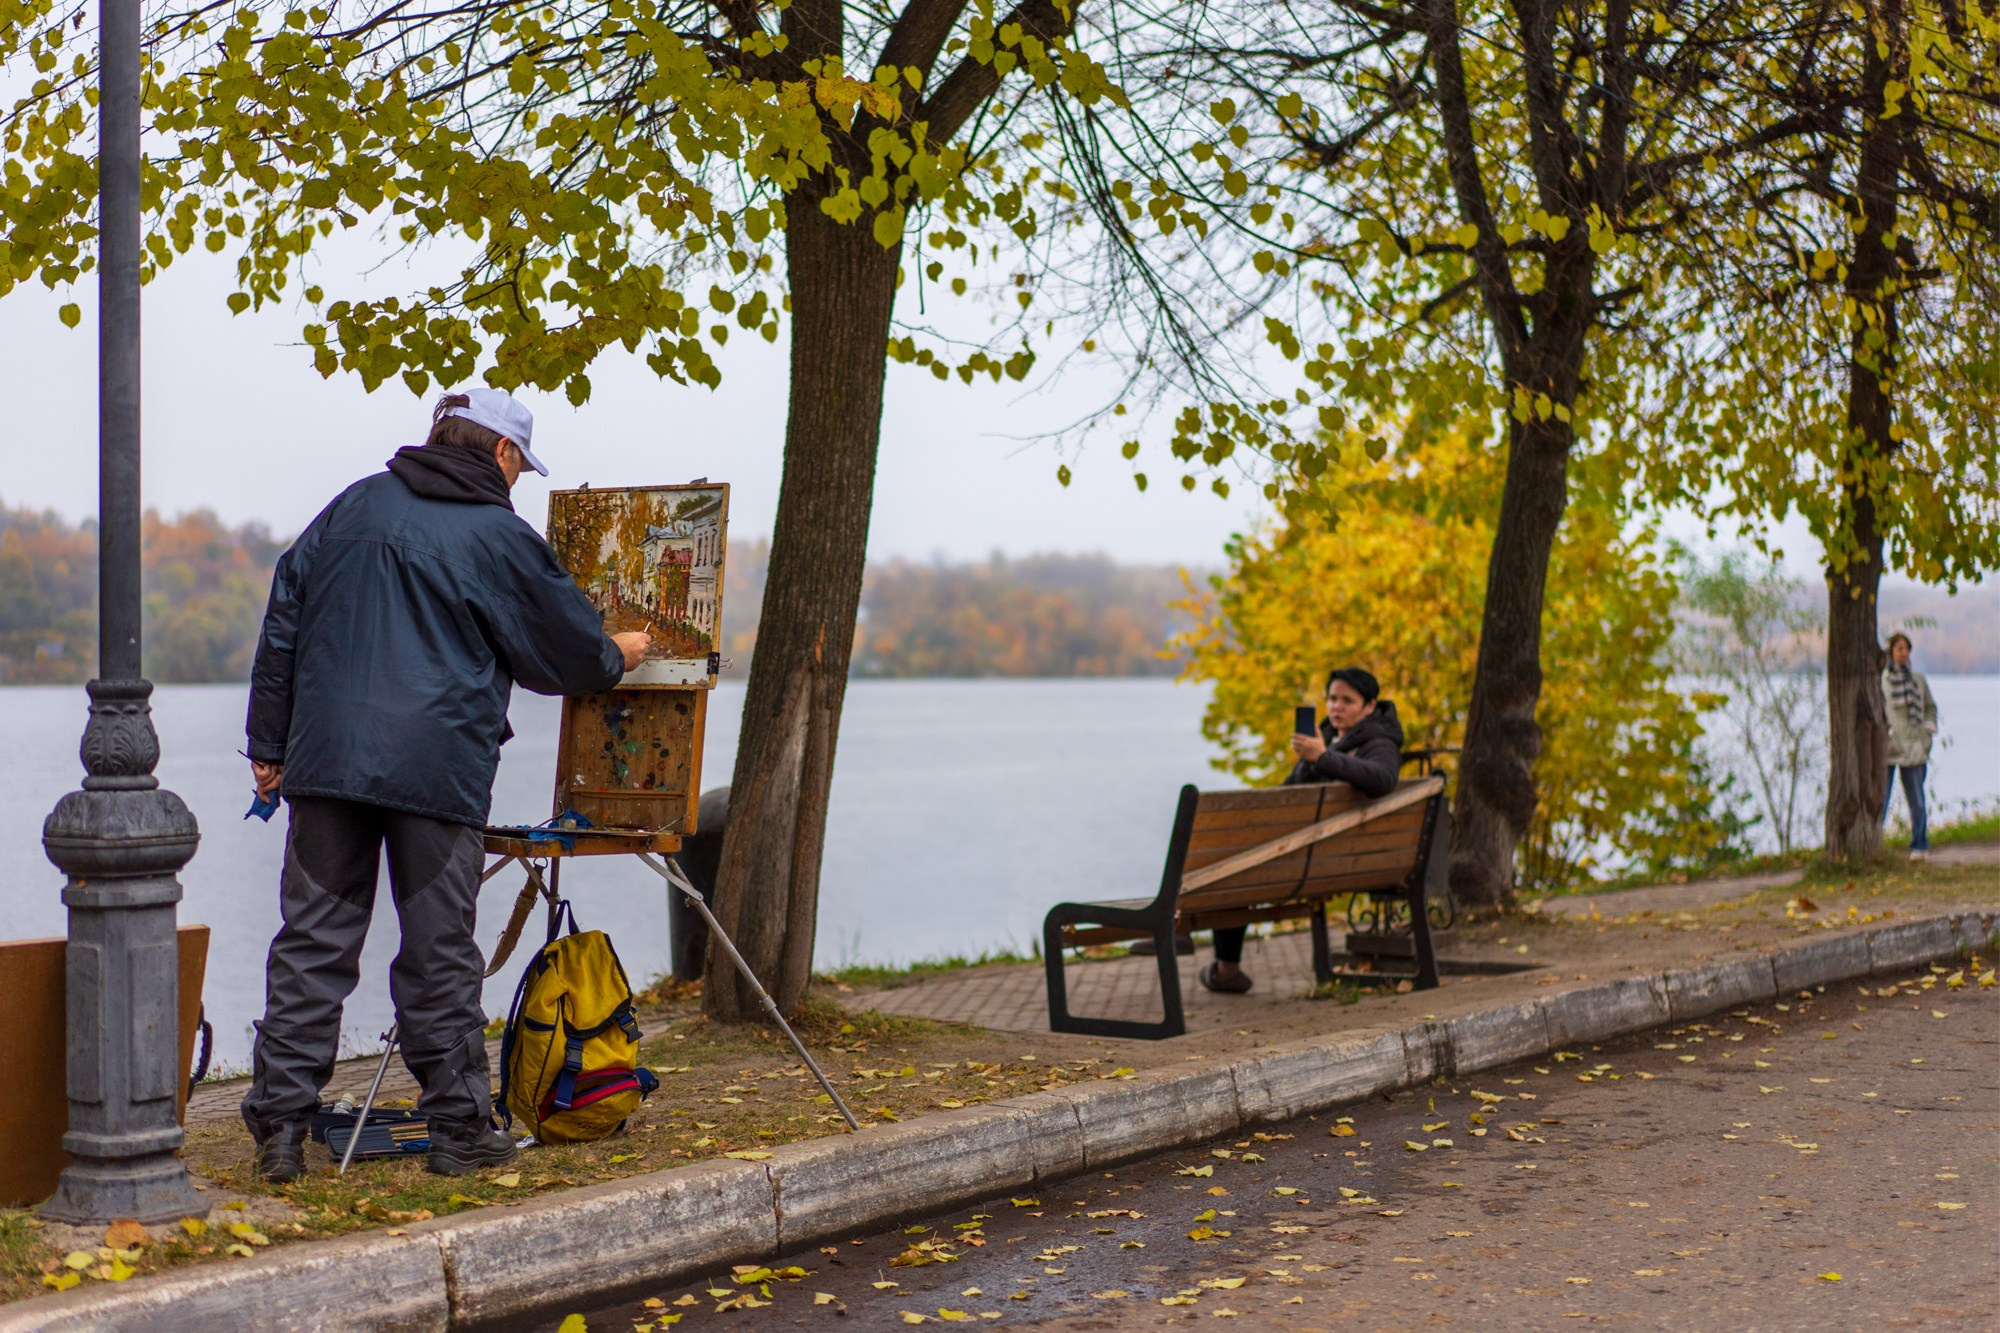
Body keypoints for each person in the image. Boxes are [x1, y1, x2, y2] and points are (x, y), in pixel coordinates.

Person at [239, 389, 652, 1182]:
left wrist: (268, 741)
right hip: (436, 770)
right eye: (521, 466)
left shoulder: (350, 507)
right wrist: (618, 654)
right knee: (437, 955)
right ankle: (460, 1129)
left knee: (313, 943)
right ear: (501, 454)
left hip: (325, 765)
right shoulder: (499, 534)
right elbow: (560, 655)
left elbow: (282, 617)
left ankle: (281, 1133)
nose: (520, 480)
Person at [1201, 666, 1406, 994]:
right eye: (1332, 698)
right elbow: (1288, 795)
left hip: (1335, 860)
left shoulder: (1378, 742)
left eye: (1347, 701)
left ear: (1370, 707)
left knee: (1229, 868)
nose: (1336, 706)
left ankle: (1217, 961)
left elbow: (1383, 779)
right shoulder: (1326, 739)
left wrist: (1323, 757)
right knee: (1228, 858)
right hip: (1311, 856)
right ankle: (1221, 964)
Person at [1880, 631, 1939, 862]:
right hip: (1890, 749)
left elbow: (1930, 707)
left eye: (1906, 649)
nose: (1903, 653)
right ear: (1891, 652)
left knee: (1917, 799)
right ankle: (1876, 844)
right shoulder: (1883, 681)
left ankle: (1919, 844)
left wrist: (1928, 729)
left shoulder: (1918, 680)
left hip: (1915, 749)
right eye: (1899, 649)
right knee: (1881, 799)